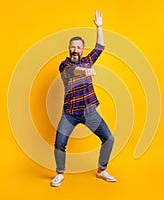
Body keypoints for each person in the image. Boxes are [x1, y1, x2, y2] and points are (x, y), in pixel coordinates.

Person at [51, 10, 116, 187]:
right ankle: (59, 173)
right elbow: (73, 71)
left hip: (89, 112)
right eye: (72, 47)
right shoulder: (65, 64)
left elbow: (100, 47)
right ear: (69, 49)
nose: (75, 49)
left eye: (78, 47)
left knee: (109, 139)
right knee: (59, 143)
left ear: (82, 50)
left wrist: (99, 27)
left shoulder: (88, 60)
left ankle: (102, 170)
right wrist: (85, 70)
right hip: (70, 114)